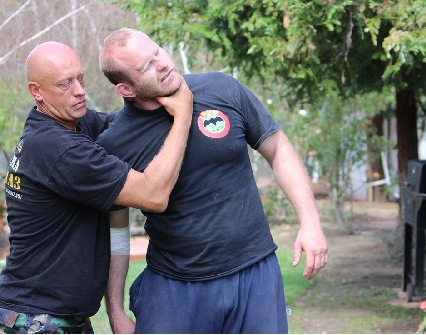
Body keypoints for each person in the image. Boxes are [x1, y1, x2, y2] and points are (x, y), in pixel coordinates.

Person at [97, 28, 328, 334]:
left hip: (253, 273)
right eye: (146, 67)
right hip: (174, 288)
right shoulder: (115, 144)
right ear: (126, 89)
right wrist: (114, 311)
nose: (163, 64)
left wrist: (310, 222)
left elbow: (279, 149)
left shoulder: (222, 88)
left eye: (158, 52)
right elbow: (116, 229)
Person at [0, 41, 193, 333]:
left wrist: (144, 91)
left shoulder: (76, 124)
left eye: (80, 78)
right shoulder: (56, 147)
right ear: (36, 91)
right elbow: (154, 195)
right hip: (37, 318)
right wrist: (183, 113)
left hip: (60, 315)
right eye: (65, 84)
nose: (79, 91)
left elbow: (128, 130)